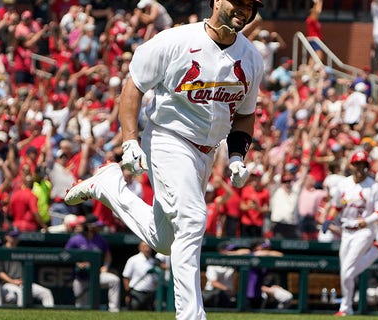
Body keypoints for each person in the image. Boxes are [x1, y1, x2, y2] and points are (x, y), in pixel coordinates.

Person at [64, 0, 265, 319]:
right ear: (215, 1)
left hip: (206, 153)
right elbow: (134, 87)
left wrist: (238, 156)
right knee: (193, 218)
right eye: (236, 1)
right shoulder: (175, 41)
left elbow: (244, 115)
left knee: (165, 240)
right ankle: (191, 316)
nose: (243, 9)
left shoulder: (252, 57)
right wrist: (129, 140)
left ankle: (110, 187)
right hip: (167, 138)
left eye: (249, 5)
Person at [323, 150, 378, 316]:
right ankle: (347, 308)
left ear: (367, 166)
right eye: (357, 164)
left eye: (363, 164)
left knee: (347, 271)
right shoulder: (344, 184)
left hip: (365, 231)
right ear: (351, 165)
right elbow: (337, 206)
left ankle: (345, 307)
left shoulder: (374, 186)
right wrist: (328, 219)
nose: (360, 167)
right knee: (346, 272)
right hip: (346, 231)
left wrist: (366, 221)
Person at [64, 218, 121, 312]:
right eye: (96, 225)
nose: (99, 227)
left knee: (114, 280)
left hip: (97, 275)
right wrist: (77, 263)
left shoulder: (100, 239)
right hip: (81, 277)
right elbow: (66, 255)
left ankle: (114, 310)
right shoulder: (76, 239)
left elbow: (108, 255)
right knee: (81, 307)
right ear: (89, 226)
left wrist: (105, 266)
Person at [0, 230, 55, 307]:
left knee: (46, 292)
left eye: (16, 236)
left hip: (22, 283)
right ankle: (22, 315)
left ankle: (49, 316)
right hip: (6, 284)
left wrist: (25, 281)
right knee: (20, 293)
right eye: (13, 236)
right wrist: (12, 281)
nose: (15, 238)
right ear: (6, 237)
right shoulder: (1, 251)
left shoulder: (20, 251)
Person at [122, 241, 160, 311]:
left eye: (148, 247)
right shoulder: (133, 260)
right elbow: (125, 277)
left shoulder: (154, 261)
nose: (147, 249)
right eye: (144, 246)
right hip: (136, 293)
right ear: (139, 248)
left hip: (150, 294)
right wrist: (128, 294)